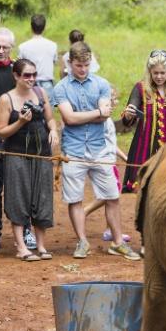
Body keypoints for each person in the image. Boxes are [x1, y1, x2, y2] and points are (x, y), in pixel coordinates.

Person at [54, 41, 140, 261]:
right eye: (79, 65)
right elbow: (69, 118)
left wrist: (92, 114)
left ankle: (118, 242)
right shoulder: (61, 88)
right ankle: (82, 241)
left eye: (86, 64)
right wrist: (96, 112)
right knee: (75, 198)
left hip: (99, 149)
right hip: (73, 150)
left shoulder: (101, 84)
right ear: (70, 64)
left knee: (112, 196)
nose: (83, 69)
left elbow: (105, 114)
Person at [0, 27, 38, 251]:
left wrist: (8, 104)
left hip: (19, 132)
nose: (1, 50)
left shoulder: (18, 70)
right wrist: (10, 103)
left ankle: (26, 228)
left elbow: (28, 94)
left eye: (5, 47)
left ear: (12, 48)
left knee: (22, 183)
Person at [0, 58, 58, 261]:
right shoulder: (6, 99)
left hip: (42, 154)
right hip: (16, 154)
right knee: (18, 198)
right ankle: (21, 246)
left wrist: (54, 130)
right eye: (26, 75)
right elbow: (1, 132)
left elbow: (50, 118)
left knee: (43, 198)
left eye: (33, 75)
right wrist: (20, 122)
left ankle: (40, 245)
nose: (31, 79)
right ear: (16, 76)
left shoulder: (41, 93)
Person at [120, 50, 166, 193]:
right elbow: (126, 121)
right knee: (146, 192)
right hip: (145, 150)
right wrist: (129, 115)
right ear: (149, 71)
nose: (159, 76)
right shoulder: (141, 88)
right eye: (155, 73)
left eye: (163, 73)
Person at [84, 115, 131, 244]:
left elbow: (112, 144)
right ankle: (85, 212)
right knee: (111, 195)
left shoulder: (107, 119)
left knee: (112, 197)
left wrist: (125, 158)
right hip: (105, 163)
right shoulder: (100, 120)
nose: (112, 102)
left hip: (110, 161)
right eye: (111, 99)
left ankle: (109, 229)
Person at [18, 14, 58, 102]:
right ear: (44, 27)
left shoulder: (23, 46)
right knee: (48, 113)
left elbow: (19, 66)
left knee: (30, 112)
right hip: (47, 83)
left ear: (31, 27)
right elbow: (55, 62)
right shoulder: (53, 45)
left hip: (28, 82)